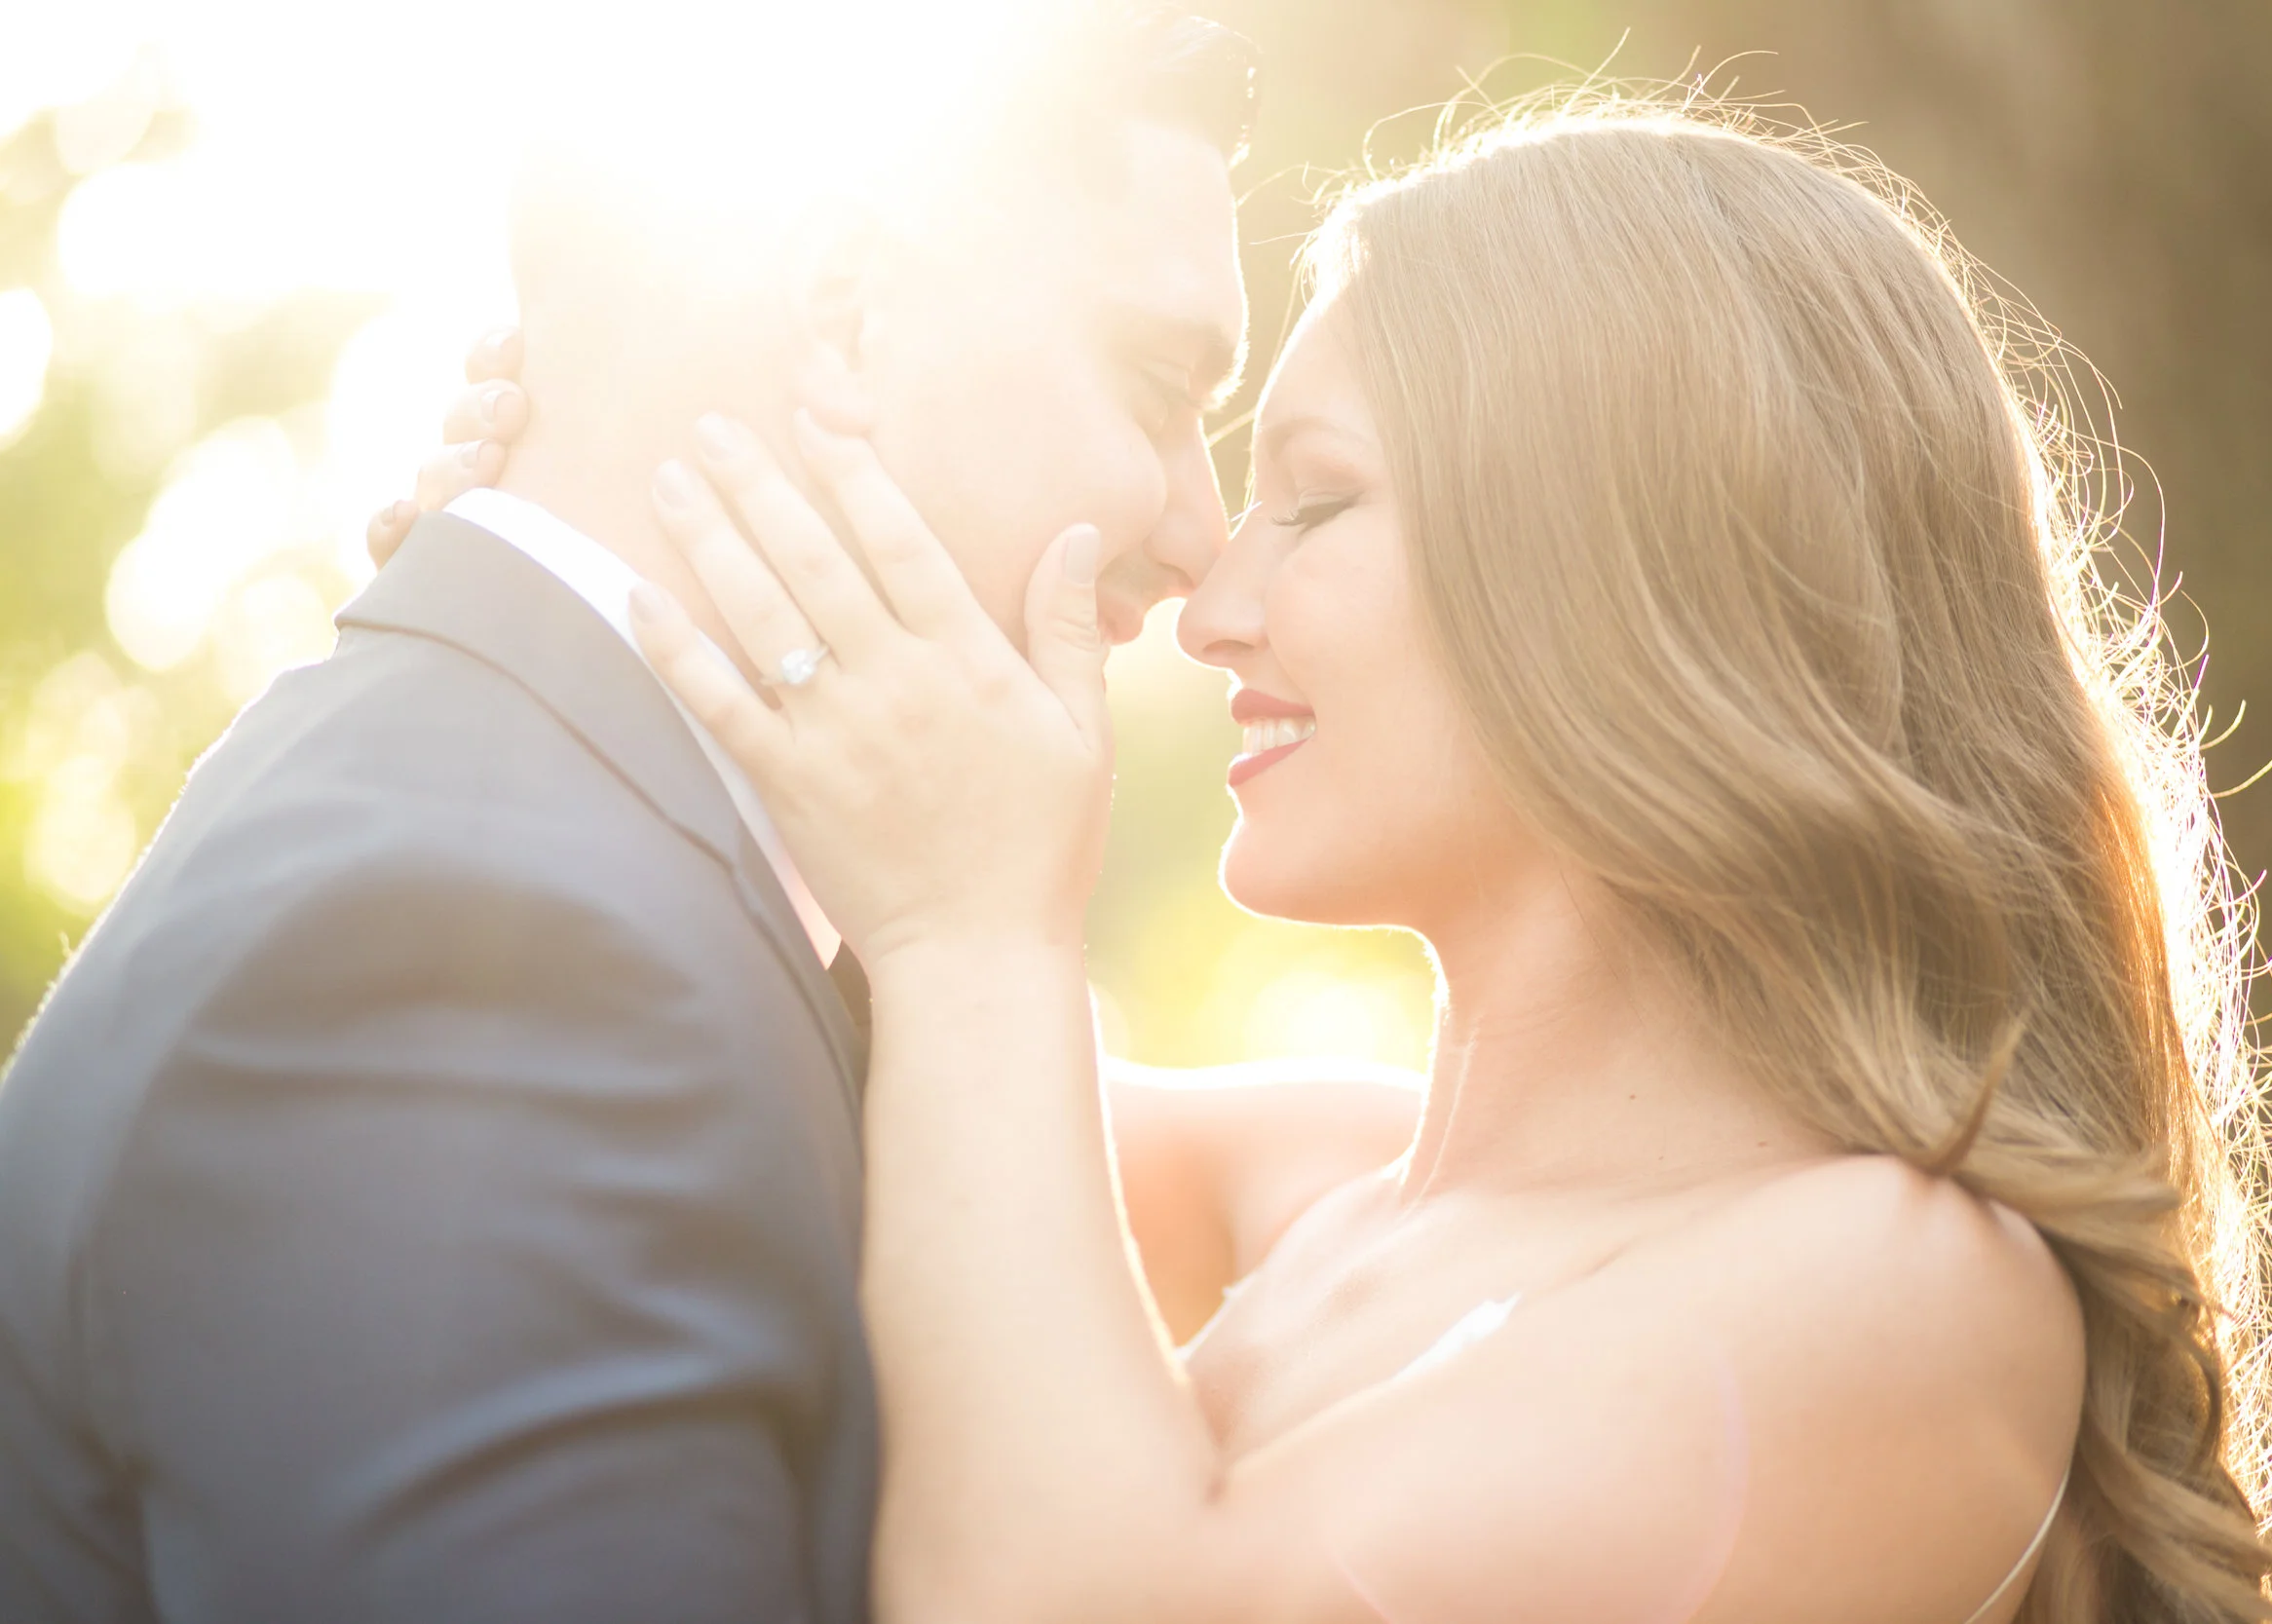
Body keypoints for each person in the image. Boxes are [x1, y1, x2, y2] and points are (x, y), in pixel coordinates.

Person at [418, 96, 2272, 1622]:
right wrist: (606, 569)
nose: (1212, 601)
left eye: (1315, 501)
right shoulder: (1339, 1187)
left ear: (1619, 564)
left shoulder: (1914, 1294)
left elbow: (1070, 1604)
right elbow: (809, 1047)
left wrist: (978, 926)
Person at [0, 9, 1405, 1622]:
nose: (1197, 525)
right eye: (1160, 384)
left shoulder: (563, 864)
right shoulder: (487, 971)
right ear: (842, 313)